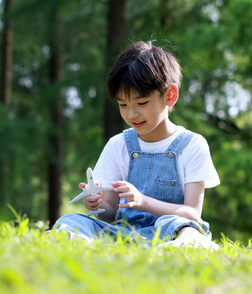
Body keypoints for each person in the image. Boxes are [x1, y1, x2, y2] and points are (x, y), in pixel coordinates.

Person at [53, 40, 220, 250]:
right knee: (72, 220)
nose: (131, 114)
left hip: (171, 231)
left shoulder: (192, 145)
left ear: (170, 95)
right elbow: (109, 212)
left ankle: (186, 245)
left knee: (184, 226)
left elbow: (192, 213)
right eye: (123, 104)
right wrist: (96, 204)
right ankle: (77, 240)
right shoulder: (118, 145)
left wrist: (143, 201)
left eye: (141, 103)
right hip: (125, 233)